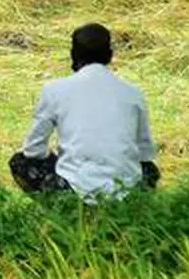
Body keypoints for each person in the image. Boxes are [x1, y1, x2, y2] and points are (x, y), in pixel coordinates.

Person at [11, 23, 160, 201]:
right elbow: (146, 152)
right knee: (149, 169)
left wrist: (58, 159)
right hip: (126, 189)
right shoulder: (133, 93)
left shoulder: (55, 90)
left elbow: (33, 150)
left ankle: (62, 210)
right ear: (110, 55)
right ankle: (131, 206)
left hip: (74, 188)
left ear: (73, 54)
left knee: (20, 162)